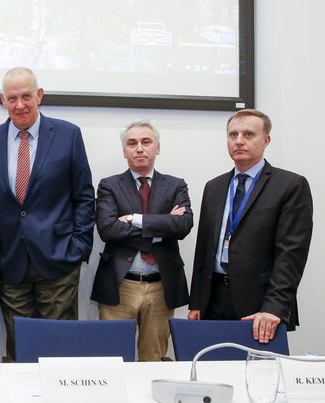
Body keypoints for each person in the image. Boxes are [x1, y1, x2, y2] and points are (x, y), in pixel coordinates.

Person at [0, 67, 95, 361]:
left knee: (59, 347)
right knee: (20, 349)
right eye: (12, 98)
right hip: (12, 265)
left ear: (39, 96)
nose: (20, 105)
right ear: (2, 100)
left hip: (58, 261)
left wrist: (79, 248)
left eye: (26, 96)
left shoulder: (68, 135)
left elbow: (83, 196)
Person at [189, 109, 313, 343]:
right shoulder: (214, 187)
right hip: (213, 300)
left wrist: (274, 307)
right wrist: (197, 302)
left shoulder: (290, 186)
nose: (239, 141)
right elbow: (204, 248)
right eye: (233, 135)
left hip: (260, 305)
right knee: (212, 371)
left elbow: (291, 255)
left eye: (248, 134)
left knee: (258, 375)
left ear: (266, 141)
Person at [91, 120, 193, 361]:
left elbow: (182, 225)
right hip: (120, 285)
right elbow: (108, 229)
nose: (139, 148)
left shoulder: (176, 185)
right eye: (132, 143)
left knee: (154, 359)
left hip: (161, 287)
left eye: (146, 142)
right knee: (115, 358)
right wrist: (162, 224)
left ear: (157, 147)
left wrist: (134, 219)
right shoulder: (109, 185)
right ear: (124, 150)